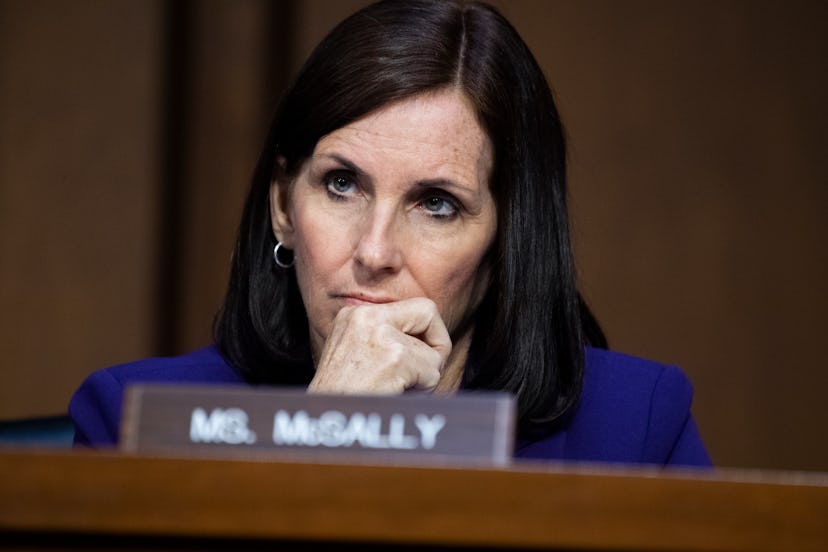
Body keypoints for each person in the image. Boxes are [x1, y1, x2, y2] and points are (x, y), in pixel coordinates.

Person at [69, 0, 711, 467]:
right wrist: (317, 434)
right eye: (342, 184)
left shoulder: (636, 427)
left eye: (437, 204)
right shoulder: (131, 420)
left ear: (507, 241)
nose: (374, 253)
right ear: (283, 206)